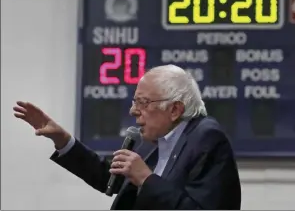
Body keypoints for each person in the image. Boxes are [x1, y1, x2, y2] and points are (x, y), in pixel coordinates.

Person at [13, 64, 241, 210]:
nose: (133, 111)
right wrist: (63, 140)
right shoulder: (154, 140)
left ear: (175, 110)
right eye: (135, 102)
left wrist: (146, 179)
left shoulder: (206, 138)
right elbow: (110, 179)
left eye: (143, 102)